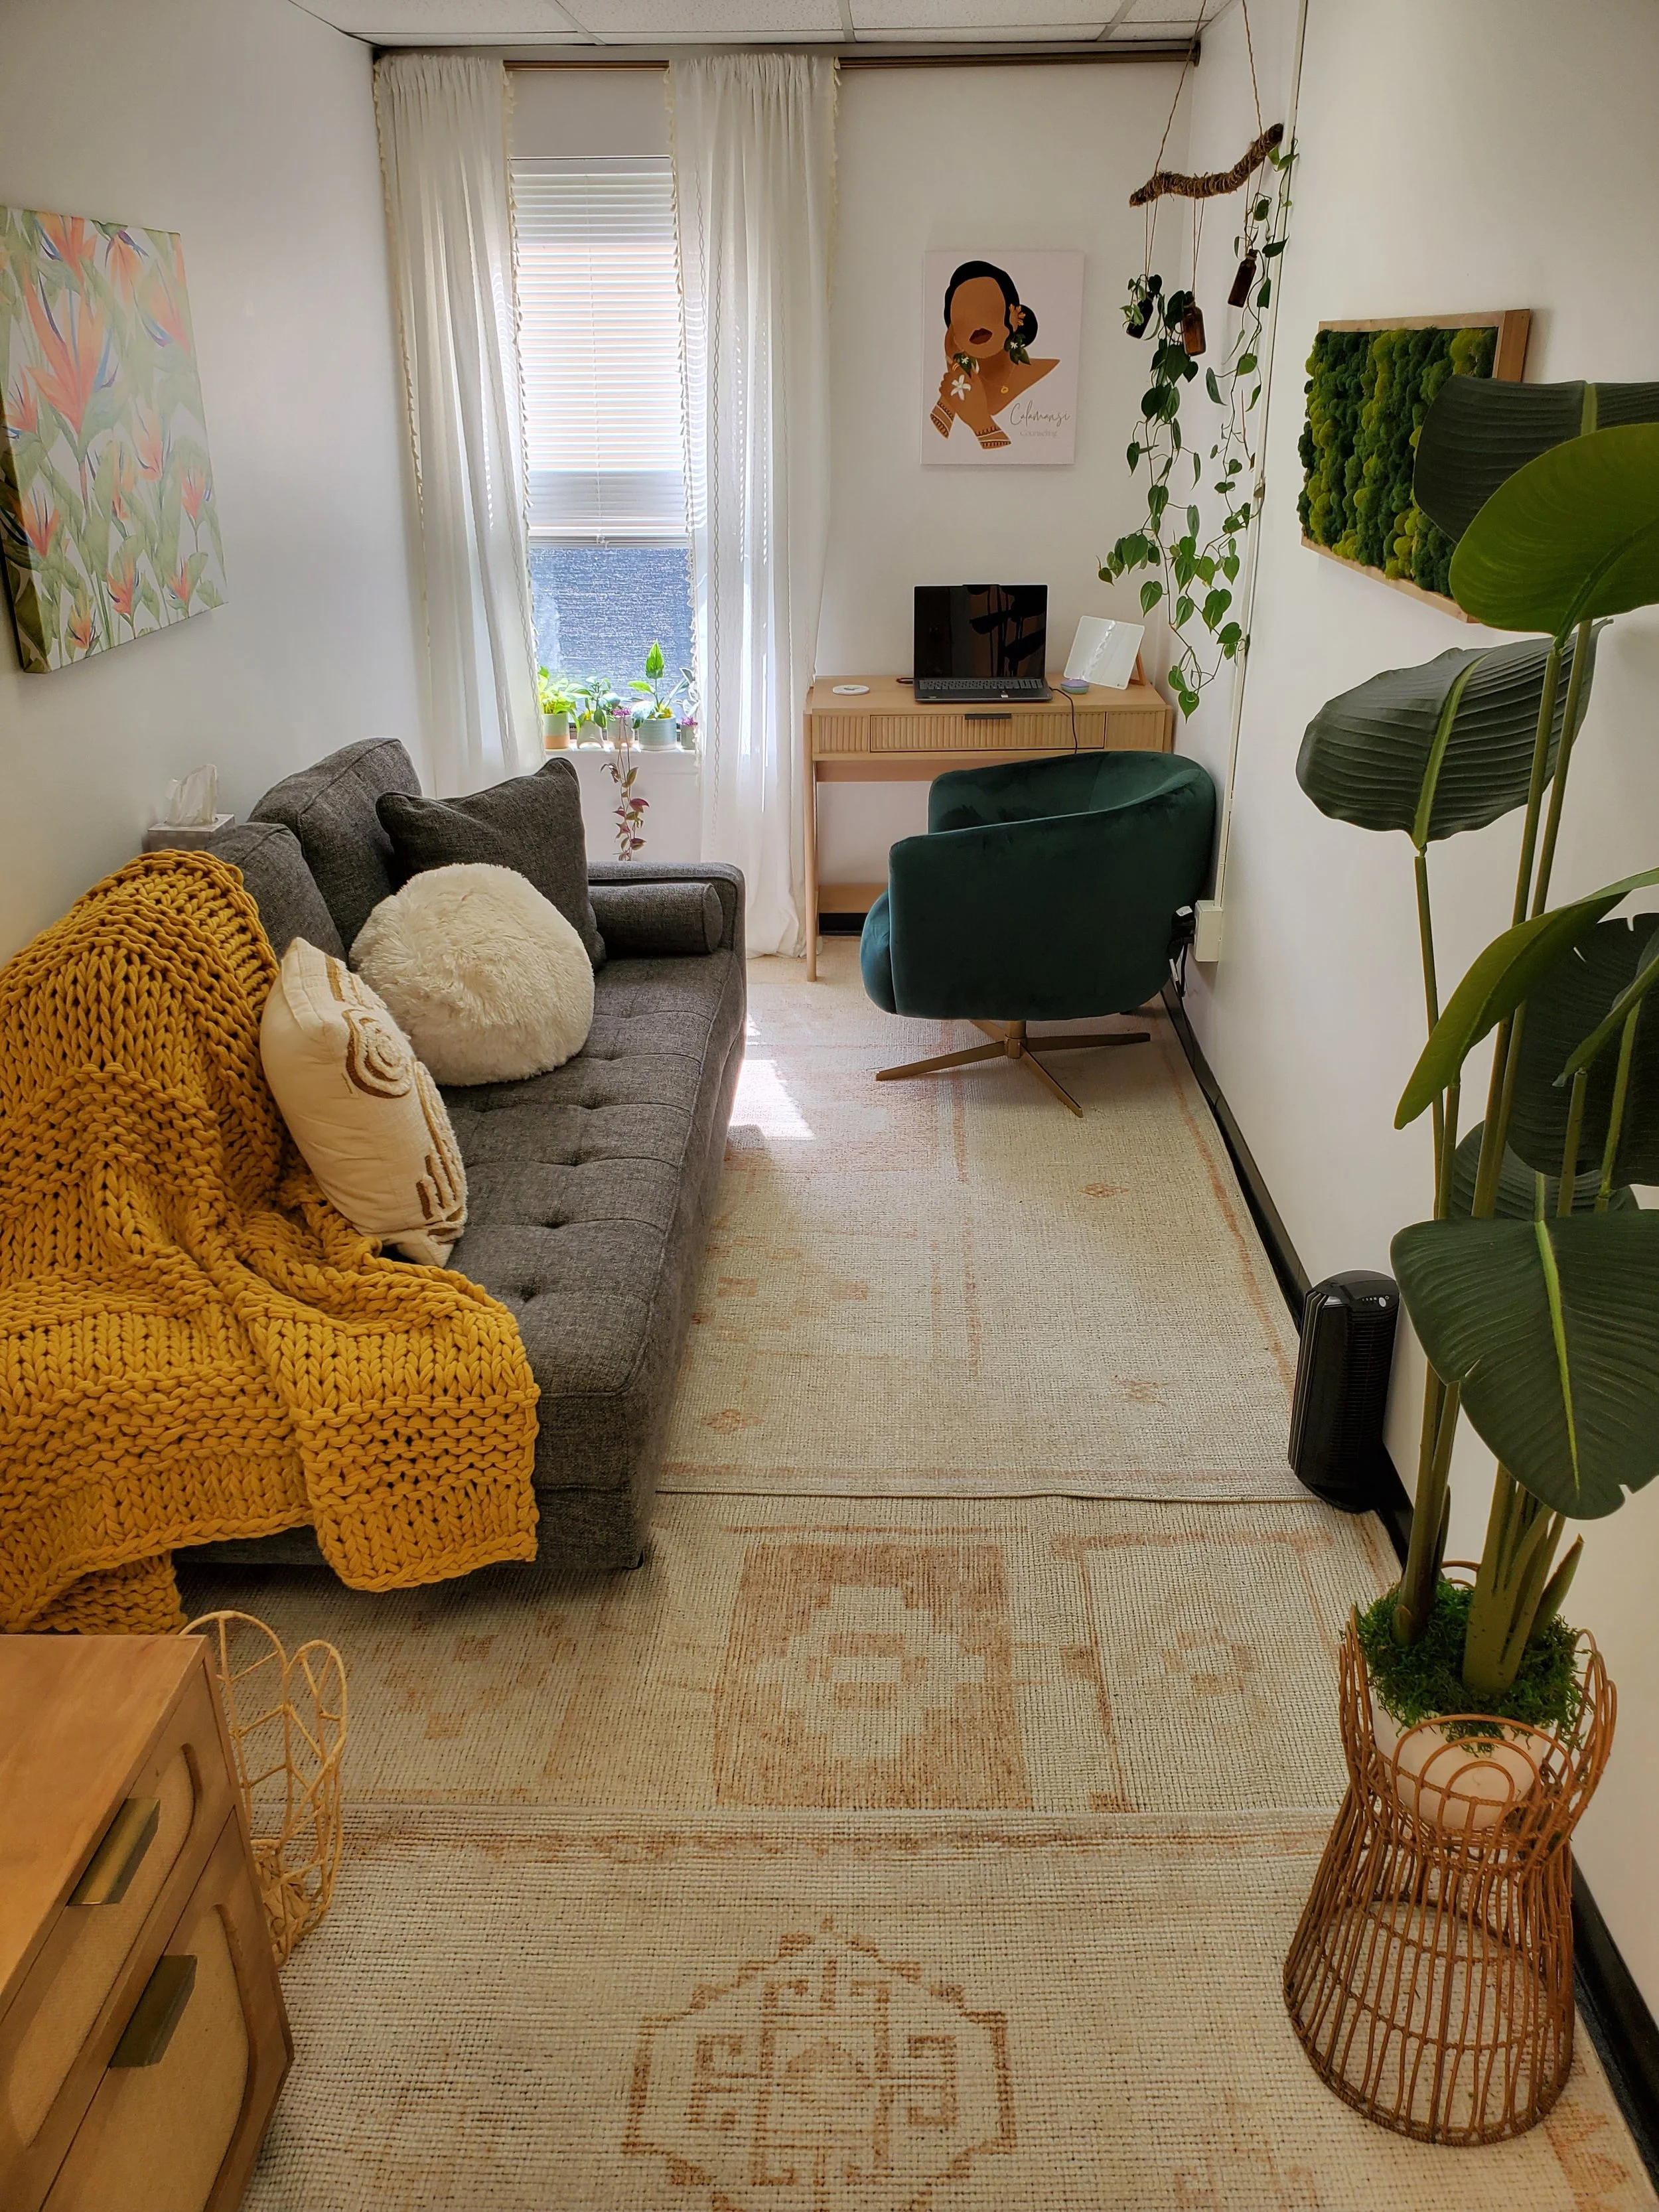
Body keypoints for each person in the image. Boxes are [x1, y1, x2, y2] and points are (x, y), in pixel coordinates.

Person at [930, 261, 1058, 450]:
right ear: (954, 337)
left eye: (986, 307)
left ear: (1014, 317)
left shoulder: (1051, 378)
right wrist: (955, 367)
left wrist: (981, 423)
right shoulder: (960, 392)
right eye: (964, 315)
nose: (977, 322)